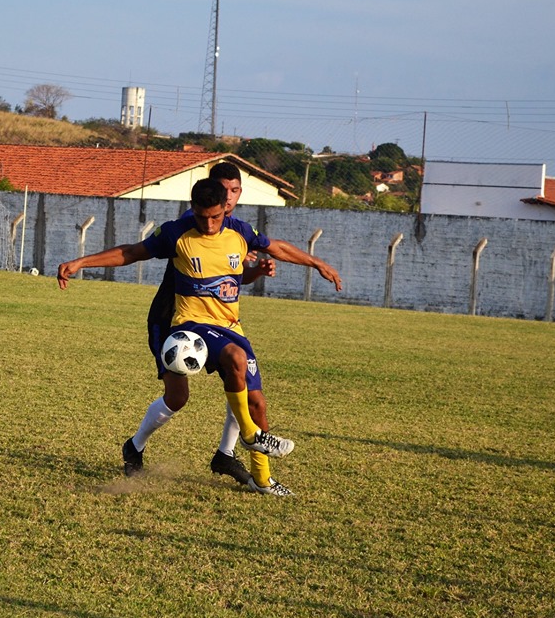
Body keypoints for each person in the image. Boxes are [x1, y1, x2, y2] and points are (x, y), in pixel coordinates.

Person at [58, 178, 342, 496]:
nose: (208, 225)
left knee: (256, 401)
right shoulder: (176, 233)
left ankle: (262, 479)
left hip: (231, 325)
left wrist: (316, 262)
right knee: (227, 363)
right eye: (202, 217)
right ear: (192, 208)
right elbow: (132, 252)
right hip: (191, 323)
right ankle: (248, 435)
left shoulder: (240, 232)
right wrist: (82, 261)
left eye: (215, 217)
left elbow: (274, 248)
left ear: (226, 209)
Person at [127, 162, 272, 487]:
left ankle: (227, 453)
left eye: (235, 190)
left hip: (218, 323)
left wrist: (256, 270)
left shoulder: (234, 231)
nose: (229, 196)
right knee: (178, 397)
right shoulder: (188, 226)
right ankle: (134, 446)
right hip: (172, 319)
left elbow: (231, 279)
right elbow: (136, 252)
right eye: (224, 189)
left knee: (240, 378)